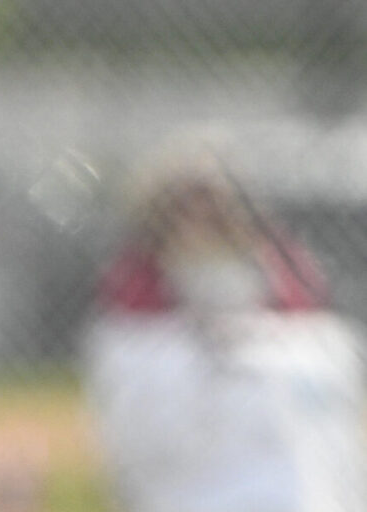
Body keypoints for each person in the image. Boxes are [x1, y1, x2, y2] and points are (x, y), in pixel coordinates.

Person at [82, 153, 364, 512]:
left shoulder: (283, 274)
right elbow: (136, 405)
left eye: (216, 205)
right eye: (186, 207)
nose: (204, 218)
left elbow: (321, 357)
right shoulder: (136, 294)